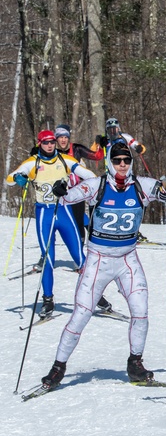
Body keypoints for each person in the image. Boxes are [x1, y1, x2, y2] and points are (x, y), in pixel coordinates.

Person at [37, 143, 166, 388]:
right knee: (81, 315)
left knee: (141, 311)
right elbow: (68, 196)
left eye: (126, 159)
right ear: (109, 163)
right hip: (98, 259)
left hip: (127, 259)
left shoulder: (142, 185)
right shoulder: (96, 185)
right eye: (117, 160)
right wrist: (60, 189)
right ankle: (58, 367)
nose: (122, 164)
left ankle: (135, 363)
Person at [5, 130, 96, 318]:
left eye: (52, 142)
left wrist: (80, 190)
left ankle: (95, 294)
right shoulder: (33, 162)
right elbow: (9, 179)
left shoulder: (65, 160)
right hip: (44, 213)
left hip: (63, 211)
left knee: (80, 256)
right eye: (46, 143)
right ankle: (48, 299)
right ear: (40, 143)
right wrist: (18, 178)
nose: (50, 145)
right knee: (48, 258)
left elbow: (89, 175)